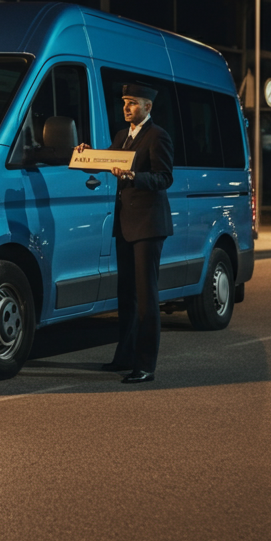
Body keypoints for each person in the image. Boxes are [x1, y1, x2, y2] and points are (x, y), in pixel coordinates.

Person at [75, 82, 174, 384]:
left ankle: (145, 365)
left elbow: (164, 177)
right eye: (124, 102)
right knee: (127, 296)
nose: (126, 108)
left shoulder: (157, 136)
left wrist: (134, 176)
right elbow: (106, 162)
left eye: (132, 102)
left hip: (148, 225)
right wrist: (85, 155)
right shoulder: (122, 137)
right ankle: (124, 357)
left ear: (148, 107)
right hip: (126, 225)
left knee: (146, 297)